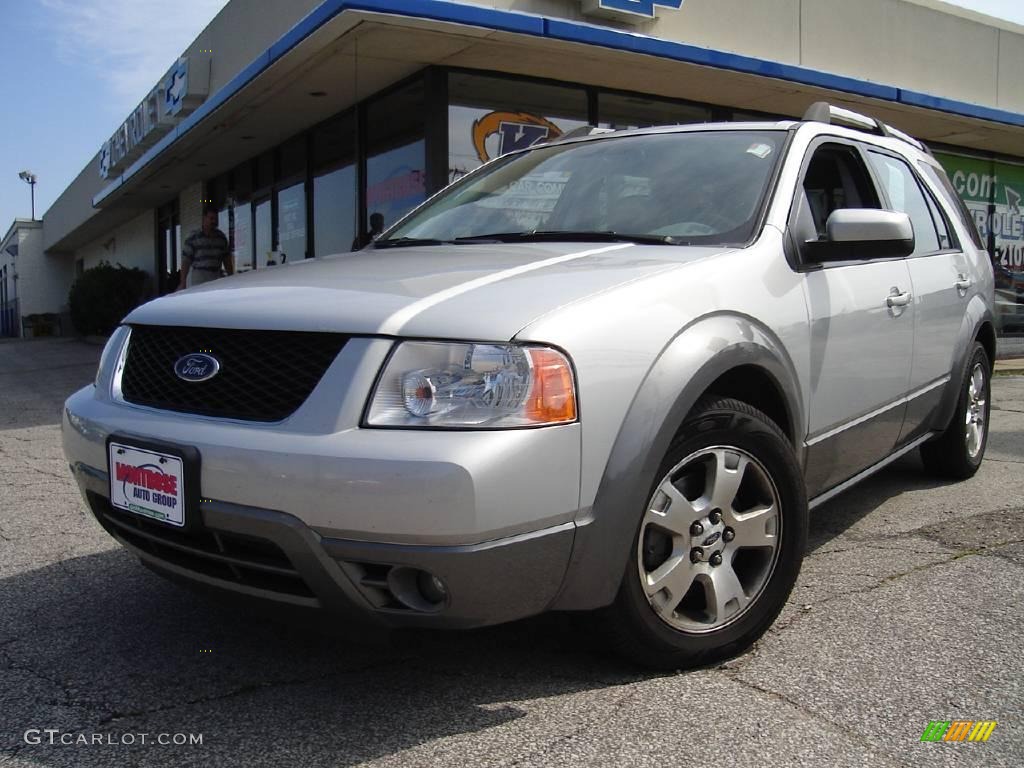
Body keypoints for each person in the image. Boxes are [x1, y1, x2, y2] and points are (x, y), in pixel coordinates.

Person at [179, 205, 233, 289]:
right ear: (204, 218)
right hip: (199, 278)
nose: (214, 221)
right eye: (211, 218)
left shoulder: (221, 238)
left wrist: (231, 278)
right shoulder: (193, 237)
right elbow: (186, 261)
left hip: (216, 277)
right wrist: (183, 282)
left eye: (215, 219)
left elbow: (227, 260)